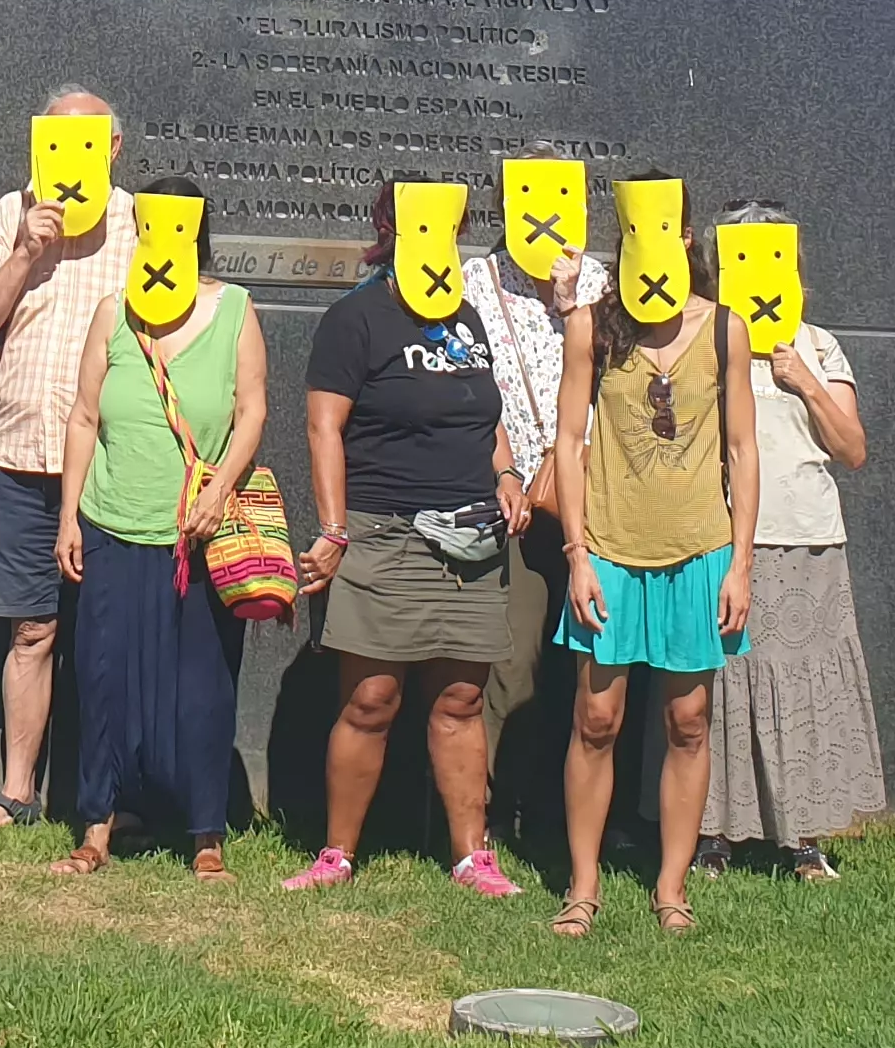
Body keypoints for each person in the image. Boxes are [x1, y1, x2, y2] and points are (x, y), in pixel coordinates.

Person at [285, 179, 533, 897]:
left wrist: (507, 472)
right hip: (385, 534)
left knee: (460, 701)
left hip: (470, 541)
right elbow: (324, 427)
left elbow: (486, 414)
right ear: (388, 229)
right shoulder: (355, 319)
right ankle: (337, 855)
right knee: (371, 700)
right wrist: (335, 530)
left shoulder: (466, 319)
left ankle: (471, 858)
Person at [544, 199, 759, 936]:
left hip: (699, 552)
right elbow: (568, 440)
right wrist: (577, 554)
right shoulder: (592, 327)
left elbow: (743, 450)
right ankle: (583, 886)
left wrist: (741, 563)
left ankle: (672, 888)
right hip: (609, 550)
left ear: (687, 236)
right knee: (596, 718)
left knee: (688, 721)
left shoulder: (726, 328)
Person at [48, 176, 265, 878]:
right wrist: (69, 515)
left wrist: (219, 491)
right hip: (112, 526)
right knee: (102, 680)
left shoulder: (235, 311)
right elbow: (85, 416)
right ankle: (97, 827)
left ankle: (205, 835)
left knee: (201, 687)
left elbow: (253, 411)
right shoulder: (114, 312)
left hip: (195, 534)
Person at [0, 86, 134, 831]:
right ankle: (17, 791)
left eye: (88, 139)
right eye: (56, 140)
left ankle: (111, 797)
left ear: (113, 148)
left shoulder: (139, 224)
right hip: (20, 458)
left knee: (112, 638)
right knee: (30, 631)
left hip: (114, 462)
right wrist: (27, 251)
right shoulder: (9, 214)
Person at [696, 201, 879, 879]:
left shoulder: (820, 346)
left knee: (804, 690)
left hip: (806, 537)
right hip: (721, 533)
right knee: (719, 684)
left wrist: (804, 382)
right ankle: (712, 833)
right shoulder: (705, 340)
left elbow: (852, 449)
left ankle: (802, 837)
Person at [459, 169, 605, 835]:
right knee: (513, 664)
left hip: (597, 496)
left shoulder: (605, 284)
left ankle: (568, 814)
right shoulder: (474, 282)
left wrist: (572, 304)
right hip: (516, 498)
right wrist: (505, 472)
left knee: (594, 666)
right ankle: (489, 813)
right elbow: (470, 385)